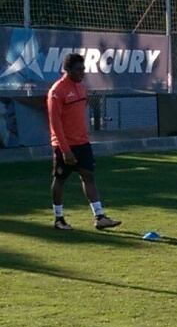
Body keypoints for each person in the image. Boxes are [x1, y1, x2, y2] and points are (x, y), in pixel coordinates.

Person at [47, 53, 121, 231]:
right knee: (60, 179)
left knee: (88, 176)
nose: (83, 72)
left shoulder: (81, 88)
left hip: (83, 144)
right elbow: (55, 123)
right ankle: (59, 219)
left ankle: (100, 217)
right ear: (67, 70)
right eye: (79, 69)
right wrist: (65, 150)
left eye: (83, 69)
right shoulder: (56, 92)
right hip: (64, 146)